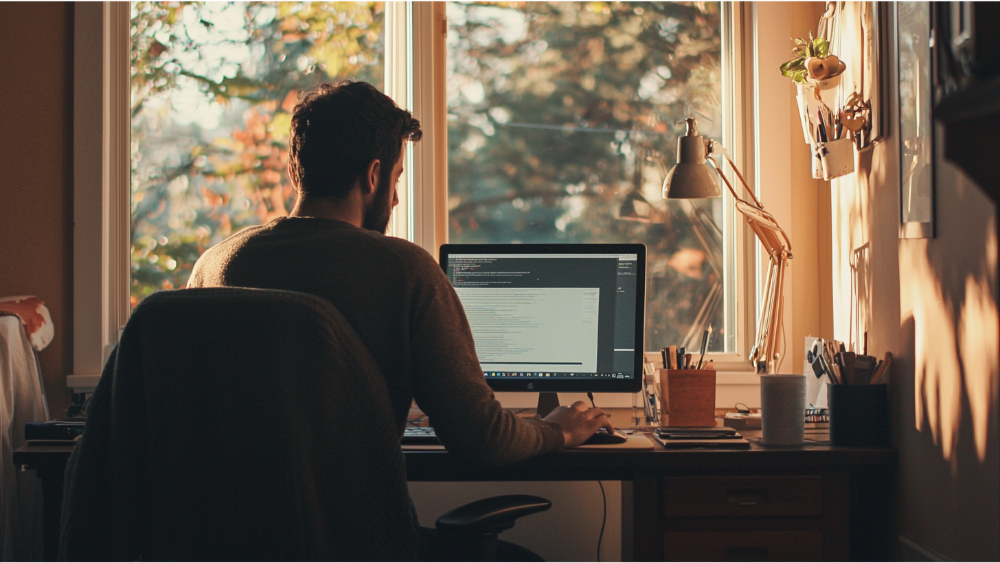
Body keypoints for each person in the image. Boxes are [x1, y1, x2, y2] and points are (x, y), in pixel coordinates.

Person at [187, 81, 613, 561]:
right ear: (373, 176)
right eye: (396, 180)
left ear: (293, 172)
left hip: (219, 542)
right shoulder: (402, 270)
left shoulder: (214, 265)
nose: (393, 201)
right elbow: (483, 441)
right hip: (358, 545)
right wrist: (559, 430)